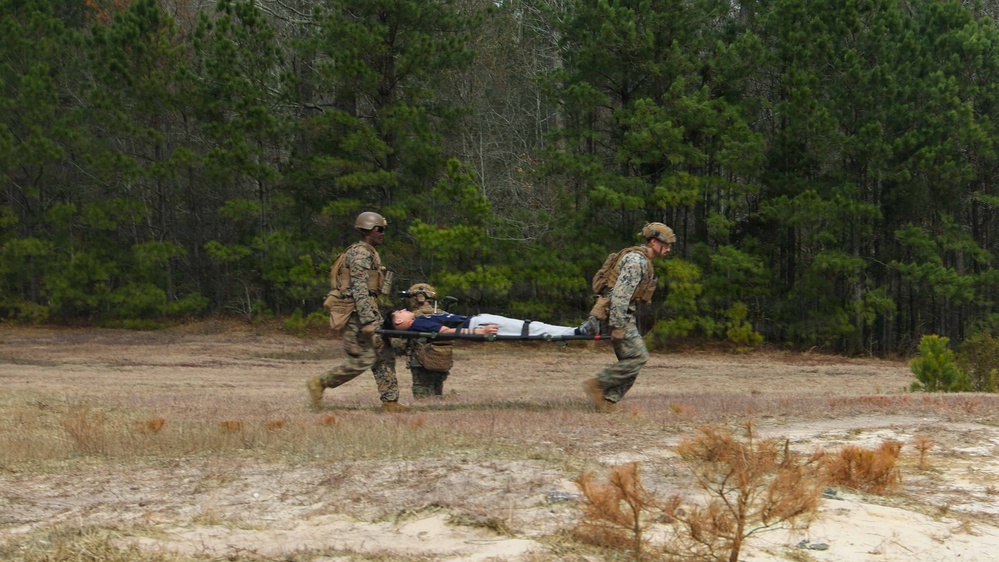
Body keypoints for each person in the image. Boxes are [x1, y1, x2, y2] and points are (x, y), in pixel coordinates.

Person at [306, 211, 410, 413]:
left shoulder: (368, 252)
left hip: (366, 310)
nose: (383, 233)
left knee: (383, 354)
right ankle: (320, 382)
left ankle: (390, 402)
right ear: (368, 230)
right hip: (359, 314)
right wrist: (368, 320)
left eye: (384, 229)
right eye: (380, 229)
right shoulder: (361, 254)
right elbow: (359, 289)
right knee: (365, 358)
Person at [583, 222, 675, 412]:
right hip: (617, 315)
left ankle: (607, 401)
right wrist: (618, 326)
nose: (668, 248)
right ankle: (598, 384)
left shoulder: (642, 260)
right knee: (638, 357)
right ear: (653, 242)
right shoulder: (636, 262)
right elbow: (620, 296)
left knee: (632, 361)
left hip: (622, 315)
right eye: (665, 244)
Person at [390, 309, 598, 338]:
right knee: (530, 328)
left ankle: (575, 330)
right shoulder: (419, 325)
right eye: (400, 311)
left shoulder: (419, 320)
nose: (404, 309)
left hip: (478, 320)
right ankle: (577, 332)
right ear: (399, 320)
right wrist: (479, 332)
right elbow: (447, 332)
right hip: (478, 325)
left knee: (530, 325)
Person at [402, 283, 453, 399]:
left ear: (416, 299)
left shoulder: (412, 317)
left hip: (421, 362)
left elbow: (400, 343)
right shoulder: (445, 315)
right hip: (442, 360)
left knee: (422, 397)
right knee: (436, 393)